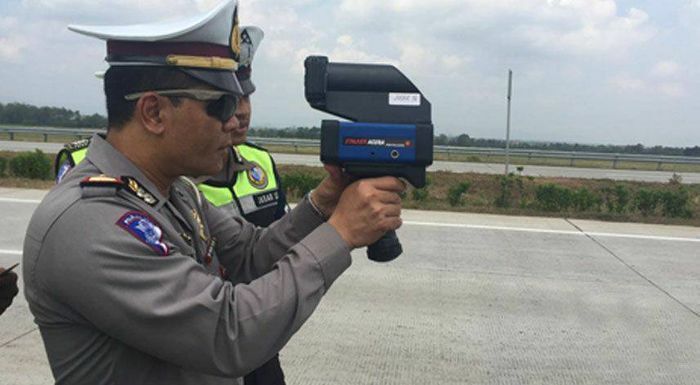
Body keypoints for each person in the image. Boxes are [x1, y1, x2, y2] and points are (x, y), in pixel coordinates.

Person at [23, 1, 405, 385]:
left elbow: (253, 256)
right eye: (221, 103)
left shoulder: (176, 192)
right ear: (154, 112)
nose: (234, 120)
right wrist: (340, 233)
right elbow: (229, 335)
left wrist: (325, 202)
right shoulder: (88, 221)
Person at [197, 26, 288, 385]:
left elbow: (277, 246)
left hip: (262, 337)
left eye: (246, 97)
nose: (243, 112)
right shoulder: (174, 181)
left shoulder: (260, 162)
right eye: (227, 100)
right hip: (205, 344)